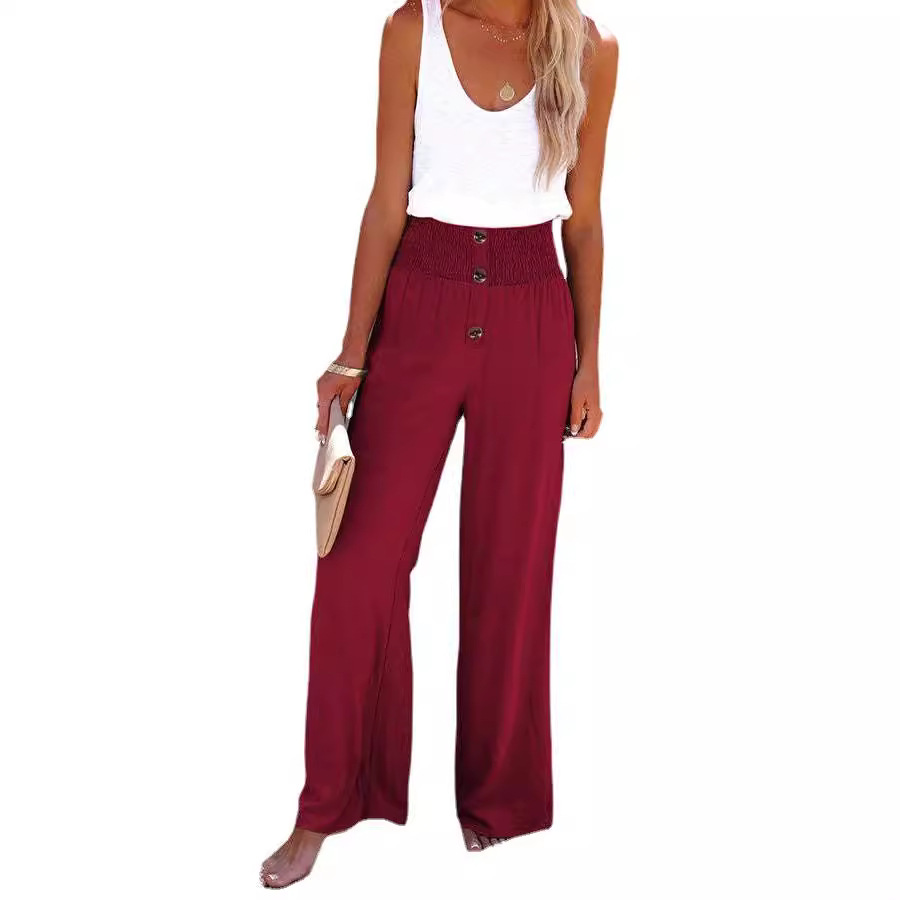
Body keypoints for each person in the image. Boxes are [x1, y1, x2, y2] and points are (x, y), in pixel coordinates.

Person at [260, 0, 618, 886]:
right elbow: (387, 201)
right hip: (420, 300)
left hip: (534, 316)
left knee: (511, 568)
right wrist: (352, 352)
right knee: (356, 565)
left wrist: (590, 362)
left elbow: (583, 219)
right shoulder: (411, 29)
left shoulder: (588, 47)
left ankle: (498, 799)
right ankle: (328, 802)